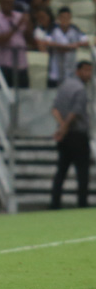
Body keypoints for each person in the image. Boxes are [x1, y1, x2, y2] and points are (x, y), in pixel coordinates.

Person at [50, 61, 91, 209]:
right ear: (78, 71)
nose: (89, 74)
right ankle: (82, 203)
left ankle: (55, 203)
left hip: (65, 135)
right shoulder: (80, 89)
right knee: (82, 171)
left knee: (61, 169)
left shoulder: (64, 86)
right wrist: (65, 127)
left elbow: (54, 109)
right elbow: (75, 111)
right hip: (77, 135)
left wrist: (61, 127)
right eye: (86, 71)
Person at [0, 0, 31, 89]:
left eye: (11, 2)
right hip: (5, 64)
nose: (9, 5)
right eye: (6, 2)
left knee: (24, 94)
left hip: (21, 64)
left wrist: (29, 24)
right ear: (1, 3)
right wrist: (16, 26)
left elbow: (29, 39)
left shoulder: (19, 16)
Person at [44, 7, 90, 88]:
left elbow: (86, 42)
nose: (65, 20)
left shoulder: (75, 29)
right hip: (55, 70)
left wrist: (75, 45)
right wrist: (68, 47)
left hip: (70, 70)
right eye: (63, 17)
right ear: (59, 18)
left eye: (67, 17)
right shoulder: (53, 29)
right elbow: (47, 43)